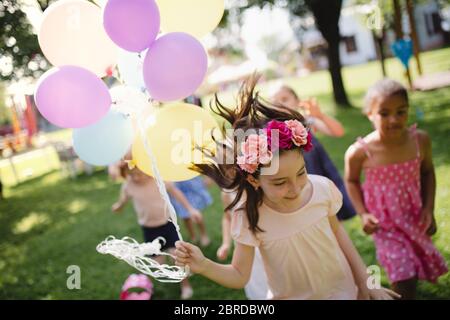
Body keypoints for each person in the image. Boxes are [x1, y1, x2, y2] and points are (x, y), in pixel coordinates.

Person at [173, 75, 398, 300]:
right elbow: (240, 275)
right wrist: (203, 265)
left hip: (344, 294)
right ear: (254, 180)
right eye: (280, 182)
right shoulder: (249, 216)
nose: (296, 187)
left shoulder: (321, 189)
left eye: (301, 173)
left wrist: (366, 282)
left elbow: (341, 237)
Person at [344, 78, 448, 299]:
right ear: (370, 114)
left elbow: (428, 171)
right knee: (403, 276)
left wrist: (428, 209)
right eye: (384, 113)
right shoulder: (360, 151)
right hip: (385, 224)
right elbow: (351, 181)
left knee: (417, 262)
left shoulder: (420, 141)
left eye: (401, 111)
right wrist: (363, 214)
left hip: (414, 216)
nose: (394, 119)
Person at [111, 160, 200, 300]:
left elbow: (176, 193)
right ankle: (158, 282)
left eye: (139, 173)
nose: (136, 177)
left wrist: (190, 209)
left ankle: (185, 285)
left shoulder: (158, 179)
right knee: (158, 263)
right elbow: (123, 199)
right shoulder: (128, 185)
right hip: (149, 229)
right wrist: (119, 206)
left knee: (177, 257)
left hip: (167, 224)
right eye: (132, 174)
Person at [272, 85, 356, 220]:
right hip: (297, 181)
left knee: (329, 214)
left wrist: (320, 116)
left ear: (297, 101)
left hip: (319, 174)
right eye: (275, 102)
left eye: (285, 99)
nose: (281, 104)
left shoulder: (307, 121)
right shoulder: (275, 131)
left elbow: (338, 132)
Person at [168, 176, 212, 247]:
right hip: (177, 187)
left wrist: (207, 178)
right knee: (185, 216)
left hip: (191, 186)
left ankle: (203, 234)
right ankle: (193, 236)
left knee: (196, 214)